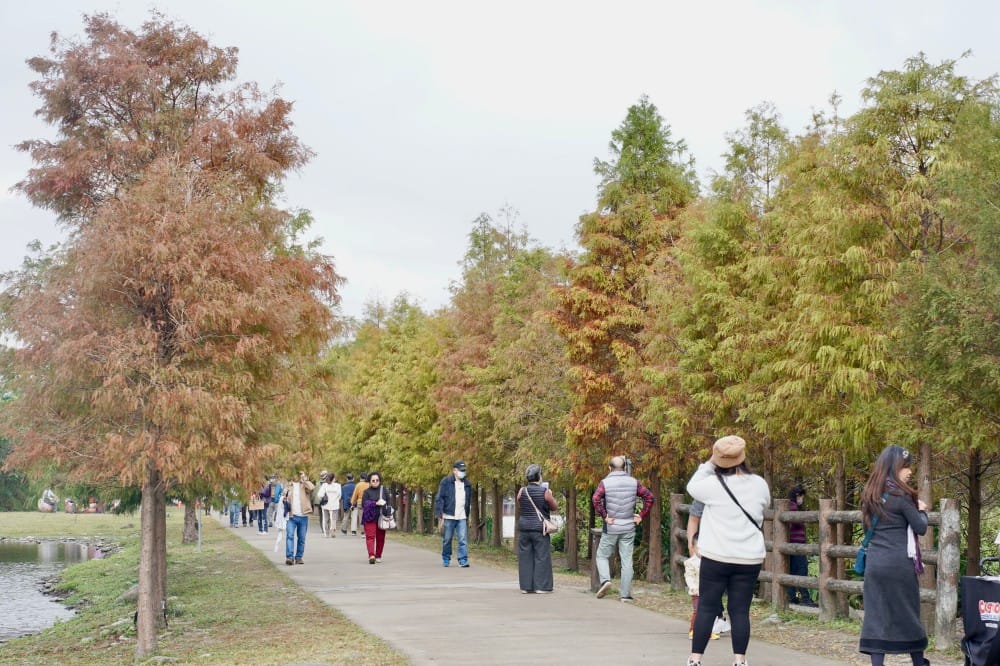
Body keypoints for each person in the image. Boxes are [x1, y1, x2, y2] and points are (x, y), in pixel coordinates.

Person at [685, 435, 770, 666]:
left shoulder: (711, 484)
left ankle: (695, 659)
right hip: (750, 557)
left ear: (718, 459)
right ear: (743, 457)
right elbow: (765, 505)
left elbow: (691, 486)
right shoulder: (759, 484)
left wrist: (711, 462)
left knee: (706, 607)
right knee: (740, 610)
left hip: (717, 555)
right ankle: (740, 660)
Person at [858, 445, 929, 666]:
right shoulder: (902, 495)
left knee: (876, 615)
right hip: (900, 564)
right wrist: (922, 509)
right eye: (906, 467)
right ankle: (919, 662)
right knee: (907, 612)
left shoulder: (869, 494)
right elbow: (920, 527)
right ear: (895, 467)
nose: (909, 472)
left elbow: (865, 528)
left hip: (875, 564)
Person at [591, 455, 655, 602]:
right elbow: (649, 497)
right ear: (625, 468)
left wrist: (605, 516)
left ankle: (605, 580)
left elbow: (596, 499)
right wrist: (640, 515)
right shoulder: (634, 482)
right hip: (628, 527)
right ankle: (625, 595)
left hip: (612, 527)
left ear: (609, 468)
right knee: (627, 561)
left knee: (601, 555)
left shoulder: (605, 483)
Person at [516, 464, 558, 593]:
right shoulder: (545, 492)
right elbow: (554, 507)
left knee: (525, 557)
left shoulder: (522, 491)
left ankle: (526, 587)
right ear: (539, 476)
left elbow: (520, 503)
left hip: (524, 528)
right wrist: (550, 494)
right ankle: (541, 586)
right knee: (541, 557)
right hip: (539, 529)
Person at [435, 461, 472, 568]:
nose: (463, 472)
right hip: (449, 515)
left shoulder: (467, 484)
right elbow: (440, 498)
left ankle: (463, 560)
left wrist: (467, 514)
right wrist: (439, 513)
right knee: (447, 539)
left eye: (464, 470)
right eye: (461, 470)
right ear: (454, 470)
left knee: (463, 539)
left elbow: (468, 500)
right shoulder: (446, 482)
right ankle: (446, 558)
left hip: (462, 516)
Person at [684, 532, 720, 641]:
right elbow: (689, 576)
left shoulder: (712, 561)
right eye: (698, 548)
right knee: (698, 611)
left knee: (711, 611)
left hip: (710, 590)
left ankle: (709, 631)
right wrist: (692, 587)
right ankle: (693, 630)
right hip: (697, 591)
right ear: (693, 548)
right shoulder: (691, 562)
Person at [786, 484, 815, 606]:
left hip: (793, 543)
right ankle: (805, 598)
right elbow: (796, 521)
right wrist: (805, 517)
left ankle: (791, 597)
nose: (802, 499)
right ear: (797, 495)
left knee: (792, 570)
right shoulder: (792, 507)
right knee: (802, 569)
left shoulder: (791, 506)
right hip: (797, 544)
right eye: (801, 497)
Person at [283, 471, 315, 565]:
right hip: (291, 516)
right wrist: (284, 497)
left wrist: (305, 479)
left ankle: (299, 557)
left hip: (303, 516)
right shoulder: (289, 486)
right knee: (290, 536)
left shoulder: (304, 485)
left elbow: (312, 488)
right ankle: (289, 557)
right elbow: (282, 496)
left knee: (301, 538)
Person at [361, 471, 390, 564]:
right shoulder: (366, 492)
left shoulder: (384, 489)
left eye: (377, 480)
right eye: (373, 480)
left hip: (381, 516)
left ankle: (378, 555)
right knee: (370, 537)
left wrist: (389, 513)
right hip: (370, 517)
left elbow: (389, 502)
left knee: (381, 537)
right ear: (369, 481)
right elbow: (364, 504)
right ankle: (371, 555)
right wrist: (375, 503)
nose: (375, 482)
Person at [319, 472, 342, 538]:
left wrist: (324, 497)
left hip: (326, 504)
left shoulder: (324, 485)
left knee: (325, 519)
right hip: (335, 504)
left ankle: (326, 534)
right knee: (334, 518)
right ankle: (332, 530)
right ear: (333, 479)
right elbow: (339, 496)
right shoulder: (338, 485)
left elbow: (320, 495)